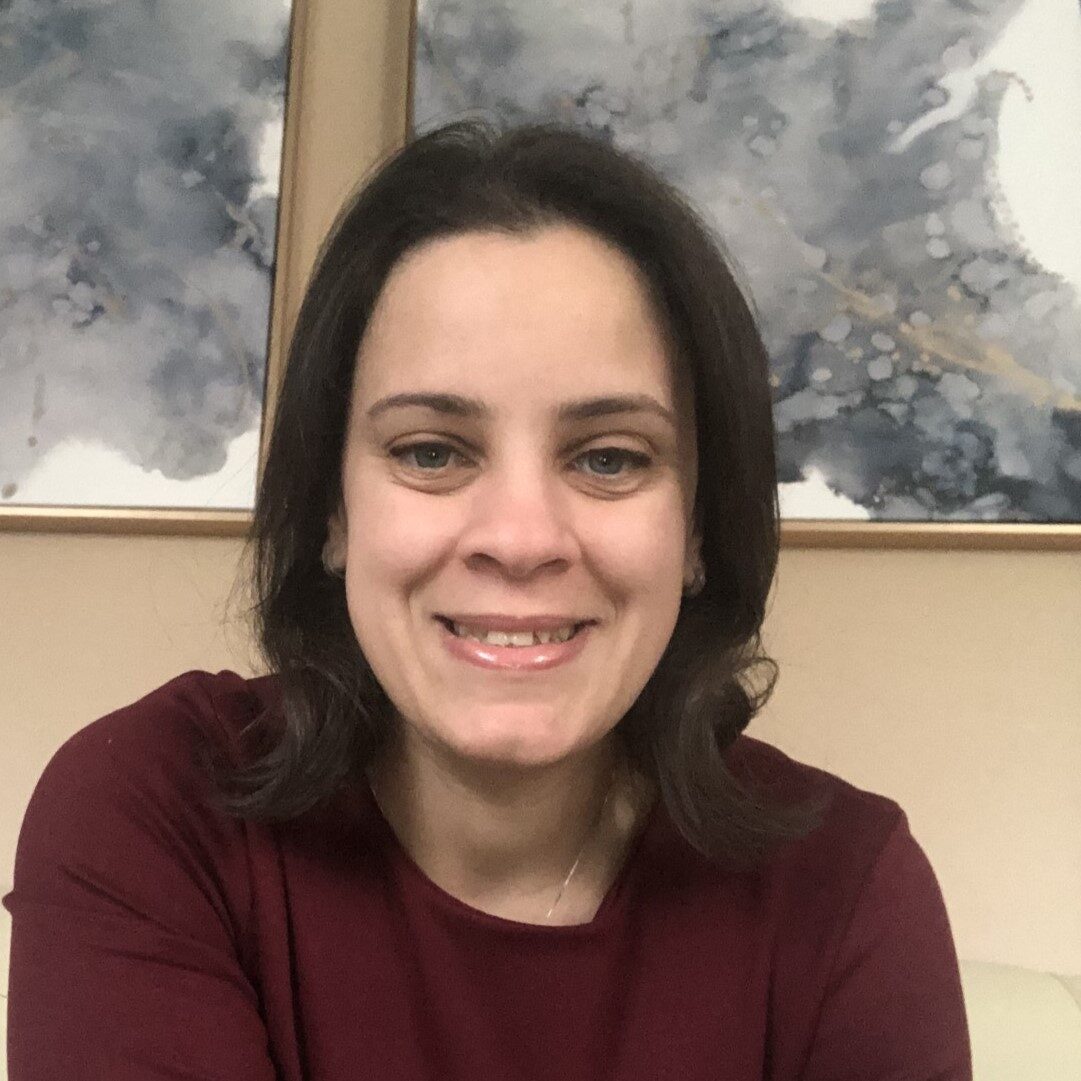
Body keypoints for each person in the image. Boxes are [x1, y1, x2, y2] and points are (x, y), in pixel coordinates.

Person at [3, 121, 971, 1080]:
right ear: (333, 511)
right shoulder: (158, 808)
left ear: (700, 531)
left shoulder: (844, 890)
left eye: (608, 458)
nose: (519, 538)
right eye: (430, 451)